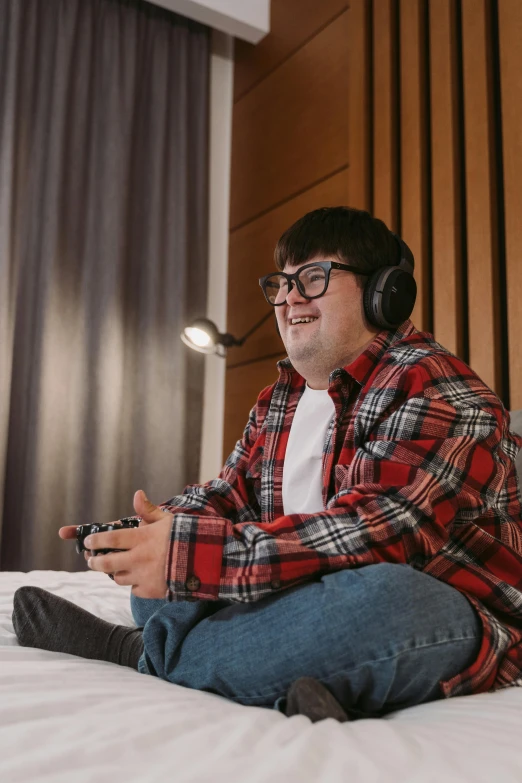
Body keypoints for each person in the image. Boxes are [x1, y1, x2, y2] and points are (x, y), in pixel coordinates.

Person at [12, 206, 522, 723]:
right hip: (303, 588)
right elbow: (230, 496)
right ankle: (302, 679)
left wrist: (191, 557)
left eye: (314, 278)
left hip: (445, 603)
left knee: (383, 602)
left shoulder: (438, 389)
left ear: (384, 294)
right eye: (281, 283)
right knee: (170, 576)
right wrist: (150, 533)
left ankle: (139, 651)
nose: (289, 297)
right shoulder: (281, 398)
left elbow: (382, 536)